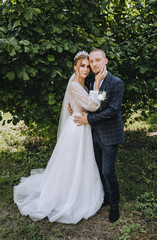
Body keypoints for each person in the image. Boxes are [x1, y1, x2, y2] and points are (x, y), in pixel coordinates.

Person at [13, 51, 107, 224]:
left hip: (81, 125)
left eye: (87, 66)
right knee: (73, 162)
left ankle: (78, 189)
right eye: (82, 66)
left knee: (79, 162)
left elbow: (94, 103)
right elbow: (92, 106)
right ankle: (68, 194)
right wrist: (98, 86)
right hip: (78, 128)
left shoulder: (83, 86)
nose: (86, 69)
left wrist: (92, 96)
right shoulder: (74, 85)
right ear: (75, 68)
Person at [72, 49, 125, 222]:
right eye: (91, 61)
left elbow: (112, 110)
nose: (94, 64)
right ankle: (106, 198)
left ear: (105, 61)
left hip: (109, 135)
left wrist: (89, 119)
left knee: (108, 171)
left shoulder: (115, 83)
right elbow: (94, 103)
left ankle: (115, 203)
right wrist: (74, 108)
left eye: (97, 60)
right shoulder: (93, 81)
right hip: (94, 135)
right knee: (98, 170)